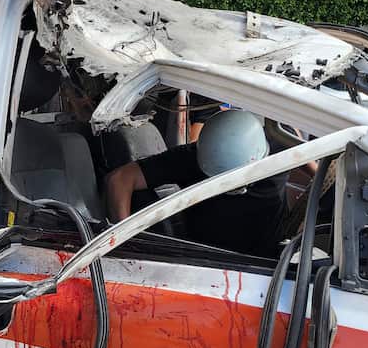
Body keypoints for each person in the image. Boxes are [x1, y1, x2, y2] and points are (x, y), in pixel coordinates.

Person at [105, 107, 286, 257]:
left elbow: (312, 167)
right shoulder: (189, 159)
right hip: (203, 260)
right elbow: (120, 179)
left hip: (268, 262)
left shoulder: (284, 153)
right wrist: (123, 240)